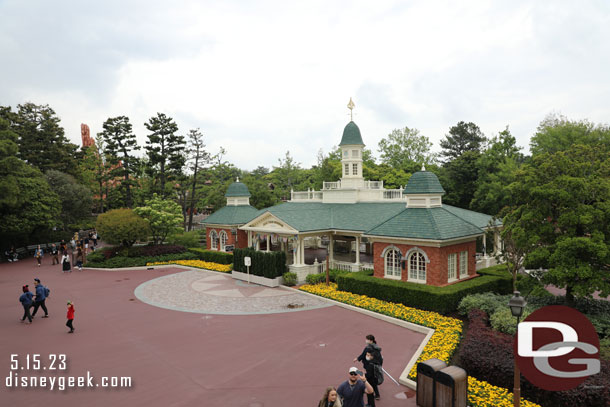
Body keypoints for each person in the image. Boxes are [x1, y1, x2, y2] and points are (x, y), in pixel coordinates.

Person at [354, 335, 382, 401]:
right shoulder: (376, 348)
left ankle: (374, 394)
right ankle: (376, 394)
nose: (366, 340)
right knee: (372, 380)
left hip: (370, 368)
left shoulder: (369, 349)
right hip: (375, 368)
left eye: (367, 339)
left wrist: (359, 372)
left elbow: (363, 354)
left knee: (371, 382)